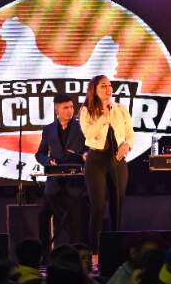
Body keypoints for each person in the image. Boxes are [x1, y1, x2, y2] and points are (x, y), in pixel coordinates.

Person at [79, 75, 135, 251]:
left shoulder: (121, 109)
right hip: (96, 161)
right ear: (94, 89)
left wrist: (127, 145)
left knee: (117, 205)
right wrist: (104, 115)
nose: (108, 89)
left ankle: (115, 247)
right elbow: (89, 134)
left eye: (110, 86)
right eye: (104, 86)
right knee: (98, 207)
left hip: (117, 161)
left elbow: (130, 133)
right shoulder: (86, 110)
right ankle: (95, 251)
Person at [35, 93, 87, 252]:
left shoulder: (82, 127)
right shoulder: (49, 129)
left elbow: (90, 148)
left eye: (71, 107)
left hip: (75, 184)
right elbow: (40, 154)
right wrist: (47, 161)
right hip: (54, 184)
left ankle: (75, 256)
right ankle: (45, 254)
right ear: (57, 109)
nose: (70, 111)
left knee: (75, 223)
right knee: (42, 216)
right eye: (65, 107)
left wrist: (87, 155)